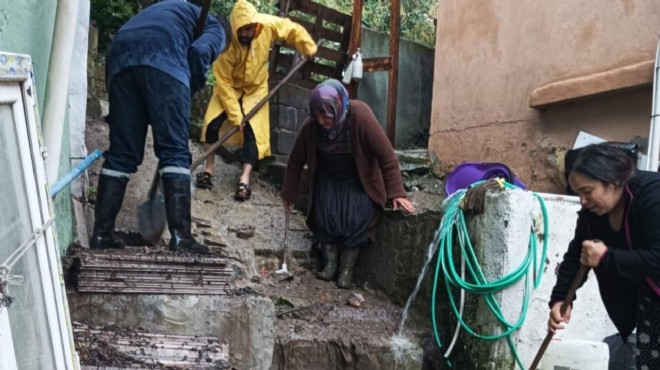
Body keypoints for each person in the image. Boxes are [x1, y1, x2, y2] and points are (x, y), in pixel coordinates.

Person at [90, 0, 230, 253]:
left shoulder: (174, 10)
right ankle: (182, 238)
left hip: (120, 59)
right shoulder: (218, 28)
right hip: (163, 59)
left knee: (122, 154)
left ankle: (102, 234)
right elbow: (199, 52)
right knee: (175, 152)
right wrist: (189, 86)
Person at [280, 79, 416, 289]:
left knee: (355, 222)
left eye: (326, 116)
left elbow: (387, 156)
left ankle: (346, 270)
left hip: (358, 182)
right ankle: (330, 264)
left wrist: (396, 193)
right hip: (328, 181)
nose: (322, 121)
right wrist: (289, 194)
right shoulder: (312, 126)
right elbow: (296, 160)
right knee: (325, 219)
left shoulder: (361, 116)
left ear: (338, 105)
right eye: (318, 116)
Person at [548, 142, 660, 370]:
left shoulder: (652, 196)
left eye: (587, 191)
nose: (582, 201)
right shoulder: (593, 215)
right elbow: (576, 255)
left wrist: (606, 257)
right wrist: (560, 299)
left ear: (614, 180)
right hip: (651, 303)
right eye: (578, 193)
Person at [196, 0, 317, 200]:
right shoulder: (226, 42)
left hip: (255, 89)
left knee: (254, 133)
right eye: (241, 30)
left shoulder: (267, 25)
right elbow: (223, 82)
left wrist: (307, 46)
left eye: (249, 30)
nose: (245, 34)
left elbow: (290, 29)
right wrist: (236, 116)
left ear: (256, 27)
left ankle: (244, 178)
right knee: (211, 124)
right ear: (235, 28)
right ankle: (208, 169)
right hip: (230, 88)